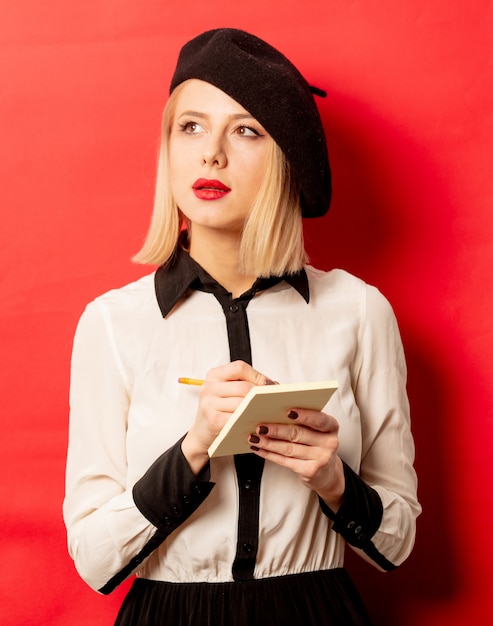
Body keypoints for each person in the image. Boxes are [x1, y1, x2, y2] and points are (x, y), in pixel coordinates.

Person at [63, 28, 421, 626]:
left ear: (284, 156)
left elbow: (396, 544)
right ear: (169, 146)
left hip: (317, 612)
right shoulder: (112, 324)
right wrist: (194, 449)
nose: (212, 155)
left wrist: (333, 480)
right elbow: (95, 560)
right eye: (192, 127)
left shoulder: (359, 311)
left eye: (246, 131)